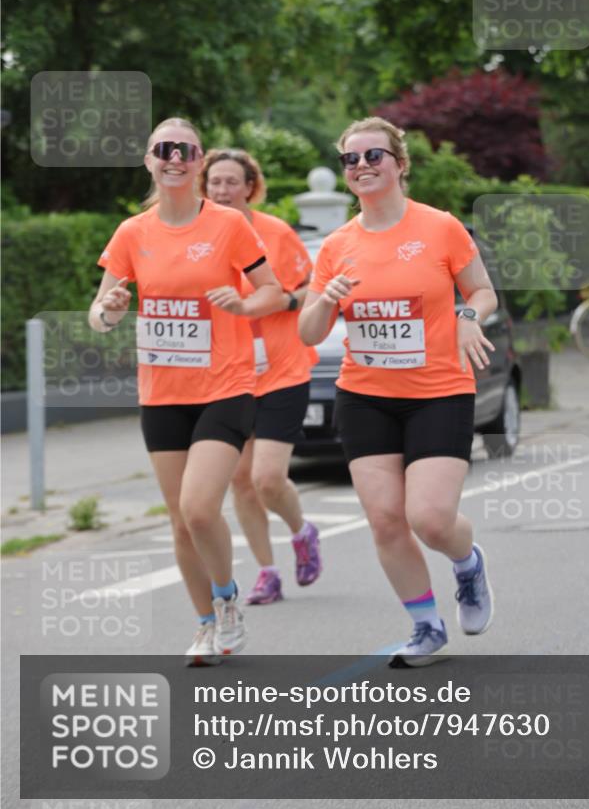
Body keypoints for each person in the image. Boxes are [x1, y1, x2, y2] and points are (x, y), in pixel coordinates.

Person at [299, 116, 497, 666]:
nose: (361, 166)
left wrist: (465, 315)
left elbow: (482, 291)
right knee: (386, 518)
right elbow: (308, 334)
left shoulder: (440, 227)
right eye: (351, 160)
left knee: (430, 519)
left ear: (400, 164)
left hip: (438, 390)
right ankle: (426, 627)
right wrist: (323, 299)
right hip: (365, 396)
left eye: (373, 156)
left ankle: (467, 564)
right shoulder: (337, 245)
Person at [89, 118, 283, 665]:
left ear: (199, 162)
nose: (174, 157)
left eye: (185, 149)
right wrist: (108, 312)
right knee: (178, 519)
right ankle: (204, 624)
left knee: (200, 509)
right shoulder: (132, 232)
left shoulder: (228, 225)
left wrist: (244, 305)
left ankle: (226, 603)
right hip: (162, 391)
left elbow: (273, 292)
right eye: (163, 149)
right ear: (149, 160)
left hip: (225, 385)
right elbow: (100, 312)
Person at [203, 149, 322, 604]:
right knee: (239, 480)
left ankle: (302, 531)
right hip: (228, 373)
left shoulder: (275, 232)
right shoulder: (200, 238)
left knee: (268, 478)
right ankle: (267, 572)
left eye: (232, 182)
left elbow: (314, 287)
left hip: (281, 367)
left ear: (250, 186)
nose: (222, 191)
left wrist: (287, 302)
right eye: (215, 182)